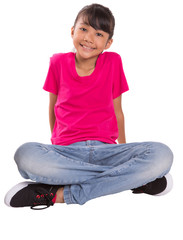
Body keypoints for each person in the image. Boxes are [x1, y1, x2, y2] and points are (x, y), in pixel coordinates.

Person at [4, 4, 173, 210]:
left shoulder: (113, 62)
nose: (89, 38)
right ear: (72, 30)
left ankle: (59, 194)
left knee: (162, 154)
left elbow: (118, 111)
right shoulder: (57, 62)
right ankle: (132, 179)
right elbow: (53, 108)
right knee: (25, 154)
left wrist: (123, 149)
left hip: (108, 151)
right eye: (84, 29)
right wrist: (57, 149)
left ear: (108, 42)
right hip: (67, 152)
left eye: (98, 34)